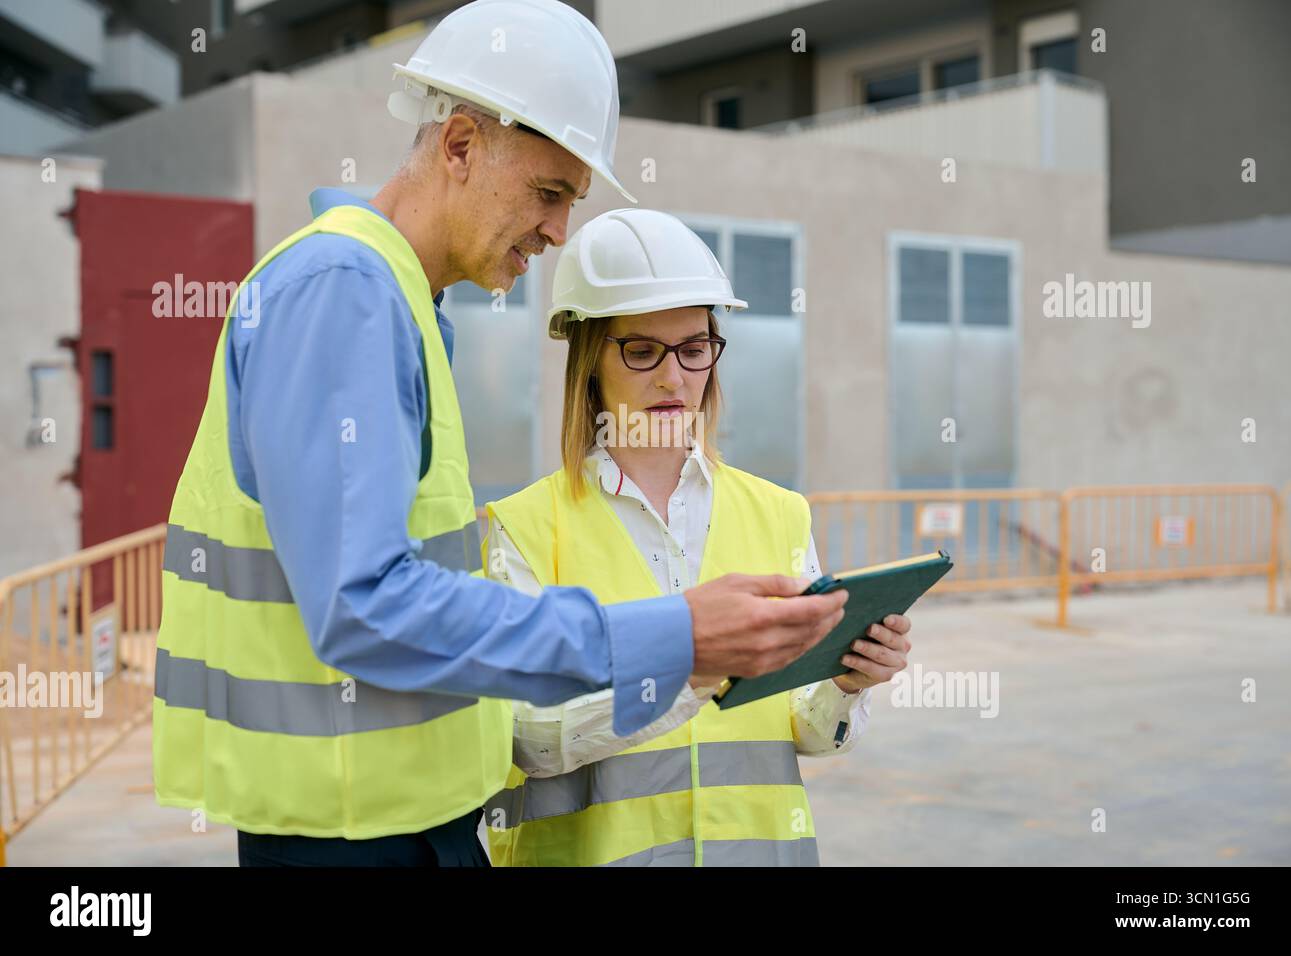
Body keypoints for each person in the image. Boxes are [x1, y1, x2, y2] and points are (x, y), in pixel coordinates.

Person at [152, 0, 846, 867]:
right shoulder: (343, 290)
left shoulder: (403, 306)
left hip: (398, 817)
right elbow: (362, 605)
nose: (558, 232)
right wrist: (674, 637)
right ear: (459, 146)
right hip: (352, 832)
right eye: (549, 193)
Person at [483, 209, 913, 866]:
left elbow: (808, 729)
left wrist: (847, 684)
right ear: (590, 357)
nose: (673, 377)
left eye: (693, 348)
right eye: (642, 349)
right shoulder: (524, 530)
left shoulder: (780, 514)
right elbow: (519, 738)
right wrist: (690, 666)